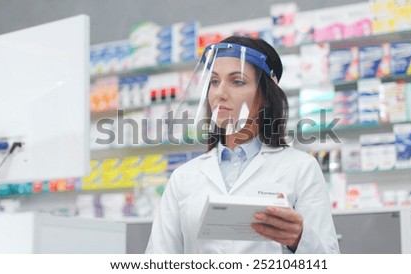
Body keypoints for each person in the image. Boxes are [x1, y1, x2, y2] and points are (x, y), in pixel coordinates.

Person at [145, 36, 340, 254]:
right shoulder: (183, 178)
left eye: (237, 81)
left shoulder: (301, 168)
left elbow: (329, 259)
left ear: (266, 95)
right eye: (214, 82)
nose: (220, 93)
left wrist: (300, 240)